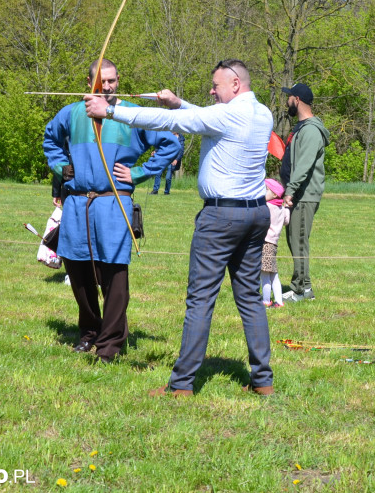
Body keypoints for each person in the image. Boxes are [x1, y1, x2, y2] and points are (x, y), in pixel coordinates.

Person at [84, 59, 276, 396]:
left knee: (200, 300)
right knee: (249, 298)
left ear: (234, 84)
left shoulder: (229, 114)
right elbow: (198, 116)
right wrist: (179, 103)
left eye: (215, 86)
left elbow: (171, 122)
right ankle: (263, 381)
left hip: (222, 219)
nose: (211, 91)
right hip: (256, 214)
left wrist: (110, 111)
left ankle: (182, 384)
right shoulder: (261, 113)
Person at [44, 59, 182, 363]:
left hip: (113, 203)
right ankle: (90, 332)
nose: (107, 86)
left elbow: (171, 144)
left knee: (114, 275)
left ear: (118, 80)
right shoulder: (71, 113)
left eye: (112, 81)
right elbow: (50, 141)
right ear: (90, 81)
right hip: (78, 203)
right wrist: (61, 166)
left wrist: (140, 172)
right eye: (101, 81)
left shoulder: (131, 114)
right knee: (78, 273)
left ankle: (110, 344)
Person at [278, 83, 330, 302]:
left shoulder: (310, 130)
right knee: (294, 240)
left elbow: (304, 166)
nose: (287, 101)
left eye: (289, 97)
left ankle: (301, 290)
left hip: (304, 194)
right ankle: (304, 286)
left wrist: (290, 191)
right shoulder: (301, 127)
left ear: (297, 100)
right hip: (297, 193)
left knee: (299, 241)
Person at [261, 178, 290, 307]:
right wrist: (287, 208)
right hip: (273, 244)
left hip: (265, 243)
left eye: (265, 190)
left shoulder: (267, 206)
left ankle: (266, 301)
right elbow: (286, 221)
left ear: (273, 194)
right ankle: (279, 301)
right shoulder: (281, 207)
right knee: (274, 274)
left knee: (265, 275)